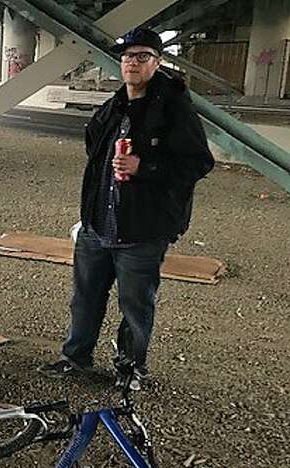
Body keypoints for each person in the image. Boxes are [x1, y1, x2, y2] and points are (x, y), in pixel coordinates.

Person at [39, 28, 214, 390]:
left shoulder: (174, 107)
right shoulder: (115, 104)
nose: (132, 63)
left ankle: (130, 369)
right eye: (127, 56)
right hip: (97, 224)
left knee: (135, 304)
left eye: (142, 56)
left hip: (142, 230)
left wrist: (144, 166)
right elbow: (93, 146)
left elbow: (198, 163)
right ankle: (76, 358)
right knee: (84, 298)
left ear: (158, 62)